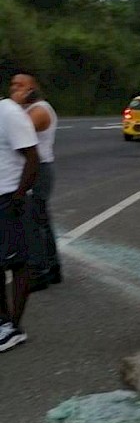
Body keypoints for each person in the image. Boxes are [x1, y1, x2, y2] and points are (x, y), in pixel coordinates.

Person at [9, 72, 62, 291]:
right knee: (41, 220)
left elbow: (16, 132)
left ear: (33, 88)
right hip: (33, 170)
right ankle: (52, 268)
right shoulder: (24, 111)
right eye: (13, 85)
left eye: (21, 85)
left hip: (39, 171)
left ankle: (40, 272)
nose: (15, 88)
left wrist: (14, 104)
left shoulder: (41, 110)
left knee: (34, 222)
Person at [0, 88, 39, 352]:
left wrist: (19, 196)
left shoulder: (9, 113)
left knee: (17, 262)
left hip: (9, 196)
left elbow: (33, 157)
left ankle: (14, 326)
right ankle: (3, 321)